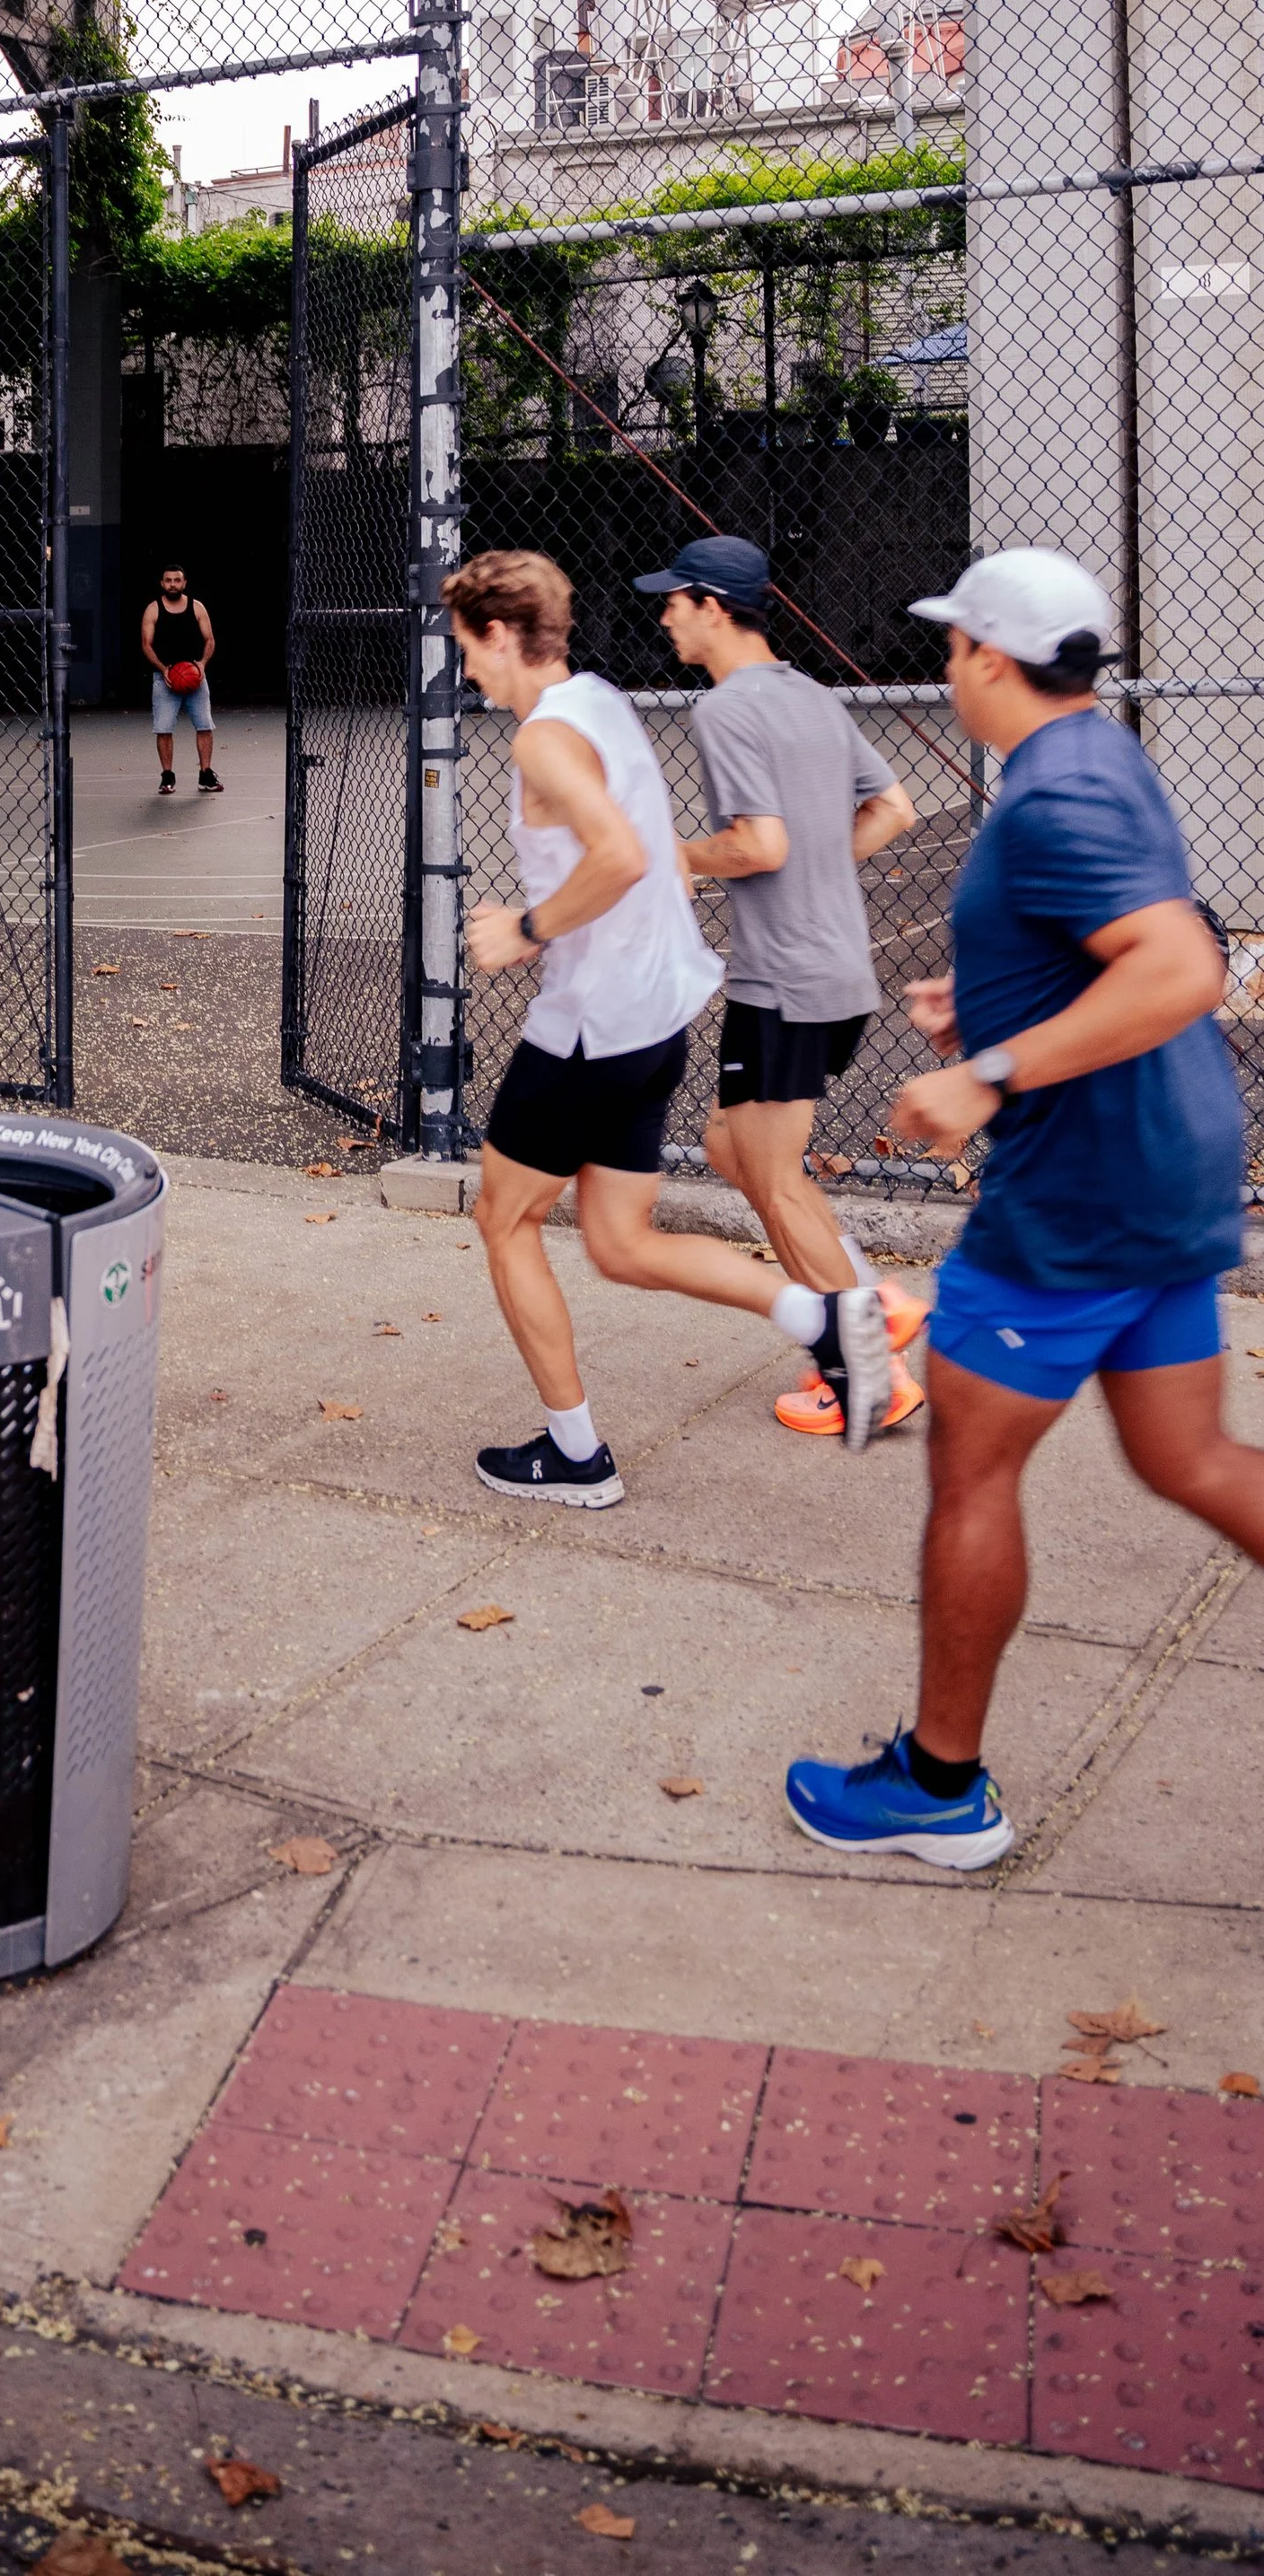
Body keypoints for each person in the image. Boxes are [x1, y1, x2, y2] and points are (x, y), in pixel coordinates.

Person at [786, 550, 1264, 1869]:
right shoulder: (1102, 757)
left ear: (993, 659)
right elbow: (1113, 940)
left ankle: (939, 1788)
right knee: (1189, 1460)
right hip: (1161, 1170)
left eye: (953, 652)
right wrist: (990, 1002)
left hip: (1077, 1200)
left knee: (972, 1472)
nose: (944, 675)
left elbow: (1179, 965)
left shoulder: (1054, 794)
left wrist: (984, 1072)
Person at [452, 548, 891, 1506]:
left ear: (497, 633)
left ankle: (575, 1457)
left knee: (505, 1220)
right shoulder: (600, 701)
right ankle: (819, 1318)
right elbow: (641, 849)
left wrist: (525, 928)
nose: (468, 670)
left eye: (467, 648)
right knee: (618, 1241)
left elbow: (617, 855)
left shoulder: (541, 741)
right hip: (657, 1020)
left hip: (588, 1026)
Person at [636, 534, 929, 1437]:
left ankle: (865, 1369)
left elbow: (756, 845)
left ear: (713, 608)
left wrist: (666, 856)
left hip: (784, 979)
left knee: (768, 1175)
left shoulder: (726, 710)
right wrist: (818, 875)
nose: (662, 617)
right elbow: (896, 807)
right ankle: (873, 1303)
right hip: (830, 968)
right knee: (732, 1150)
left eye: (674, 601)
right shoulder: (809, 694)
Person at [141, 563, 222, 795]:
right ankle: (167, 776)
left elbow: (210, 640)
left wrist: (202, 664)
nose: (173, 584)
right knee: (164, 729)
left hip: (195, 677)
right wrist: (162, 668)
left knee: (205, 725)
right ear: (162, 583)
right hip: (165, 678)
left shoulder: (197, 607)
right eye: (168, 580)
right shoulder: (153, 609)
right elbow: (146, 644)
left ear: (184, 583)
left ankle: (205, 774)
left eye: (177, 580)